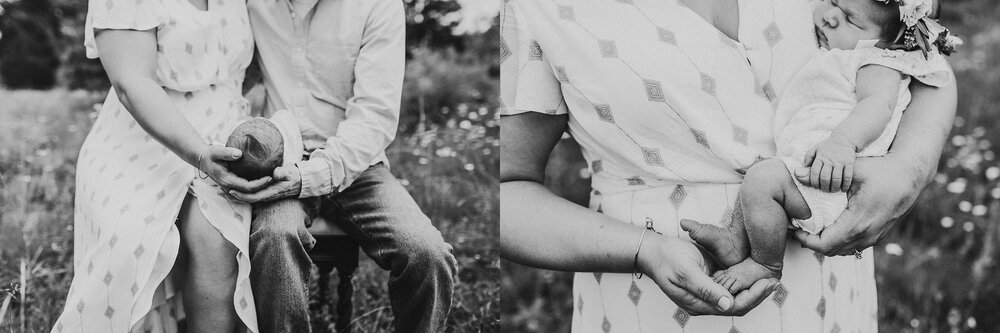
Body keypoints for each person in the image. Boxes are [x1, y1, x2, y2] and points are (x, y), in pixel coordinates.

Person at [499, 0, 956, 331]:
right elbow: (508, 192)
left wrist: (910, 167)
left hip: (826, 281)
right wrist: (644, 249)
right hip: (647, 305)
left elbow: (920, 60)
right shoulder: (539, 7)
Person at [682, 0, 960, 293]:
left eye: (851, 20)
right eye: (833, 1)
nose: (829, 17)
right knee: (762, 180)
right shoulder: (849, 52)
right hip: (814, 170)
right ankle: (736, 240)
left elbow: (877, 106)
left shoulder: (876, 62)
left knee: (762, 181)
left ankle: (766, 263)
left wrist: (842, 142)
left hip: (830, 179)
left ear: (891, 44)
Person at [234, 0, 458, 332]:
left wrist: (310, 177)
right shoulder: (254, 5)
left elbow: (374, 116)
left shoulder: (377, 6)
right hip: (283, 159)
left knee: (426, 253)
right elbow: (230, 72)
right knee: (274, 236)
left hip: (358, 166)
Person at [51, 0, 267, 331]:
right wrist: (199, 153)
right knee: (129, 242)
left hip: (224, 135)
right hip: (140, 138)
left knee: (218, 238)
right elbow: (131, 82)